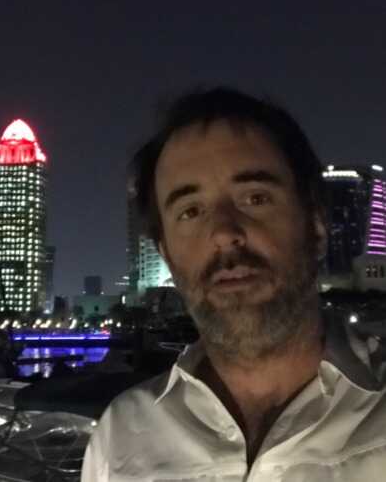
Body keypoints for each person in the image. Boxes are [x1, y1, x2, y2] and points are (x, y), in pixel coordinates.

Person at [81, 87, 386, 481]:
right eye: (191, 211)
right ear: (166, 253)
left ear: (316, 223)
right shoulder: (120, 437)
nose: (224, 233)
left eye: (255, 198)